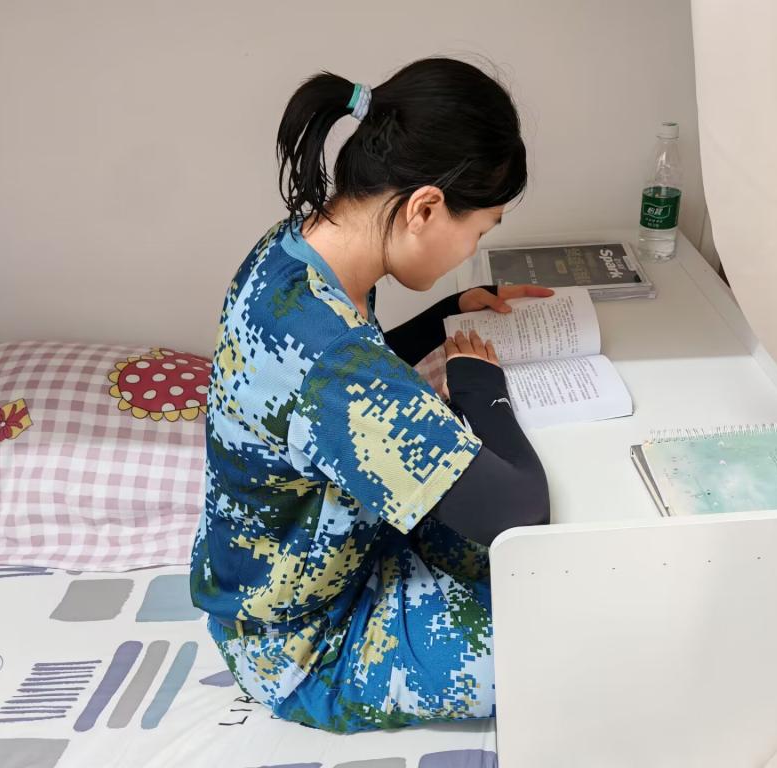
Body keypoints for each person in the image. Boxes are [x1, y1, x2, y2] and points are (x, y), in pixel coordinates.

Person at [189, 56, 552, 734]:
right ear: (425, 208)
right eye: (479, 232)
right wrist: (480, 385)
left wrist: (447, 315)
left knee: (564, 572)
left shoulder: (302, 252)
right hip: (306, 644)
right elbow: (518, 513)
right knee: (570, 637)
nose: (471, 249)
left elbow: (352, 364)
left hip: (334, 553)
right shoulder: (331, 358)